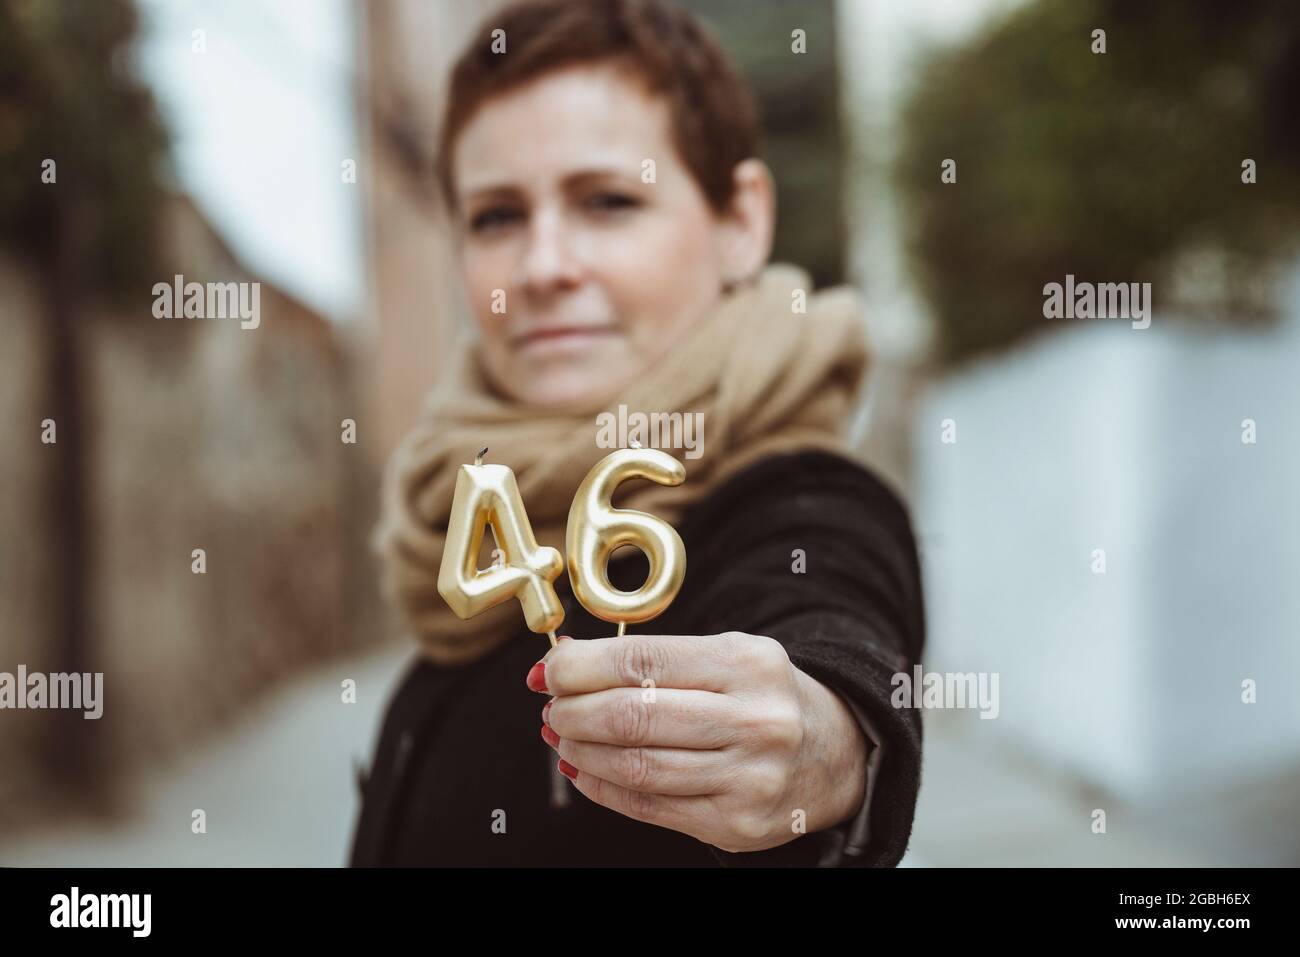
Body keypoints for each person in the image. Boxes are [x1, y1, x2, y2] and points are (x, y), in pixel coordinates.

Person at [349, 0, 924, 867]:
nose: (543, 267)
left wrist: (828, 739)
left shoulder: (799, 500)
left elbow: (832, 608)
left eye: (608, 200)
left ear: (741, 222)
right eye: (497, 216)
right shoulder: (459, 513)